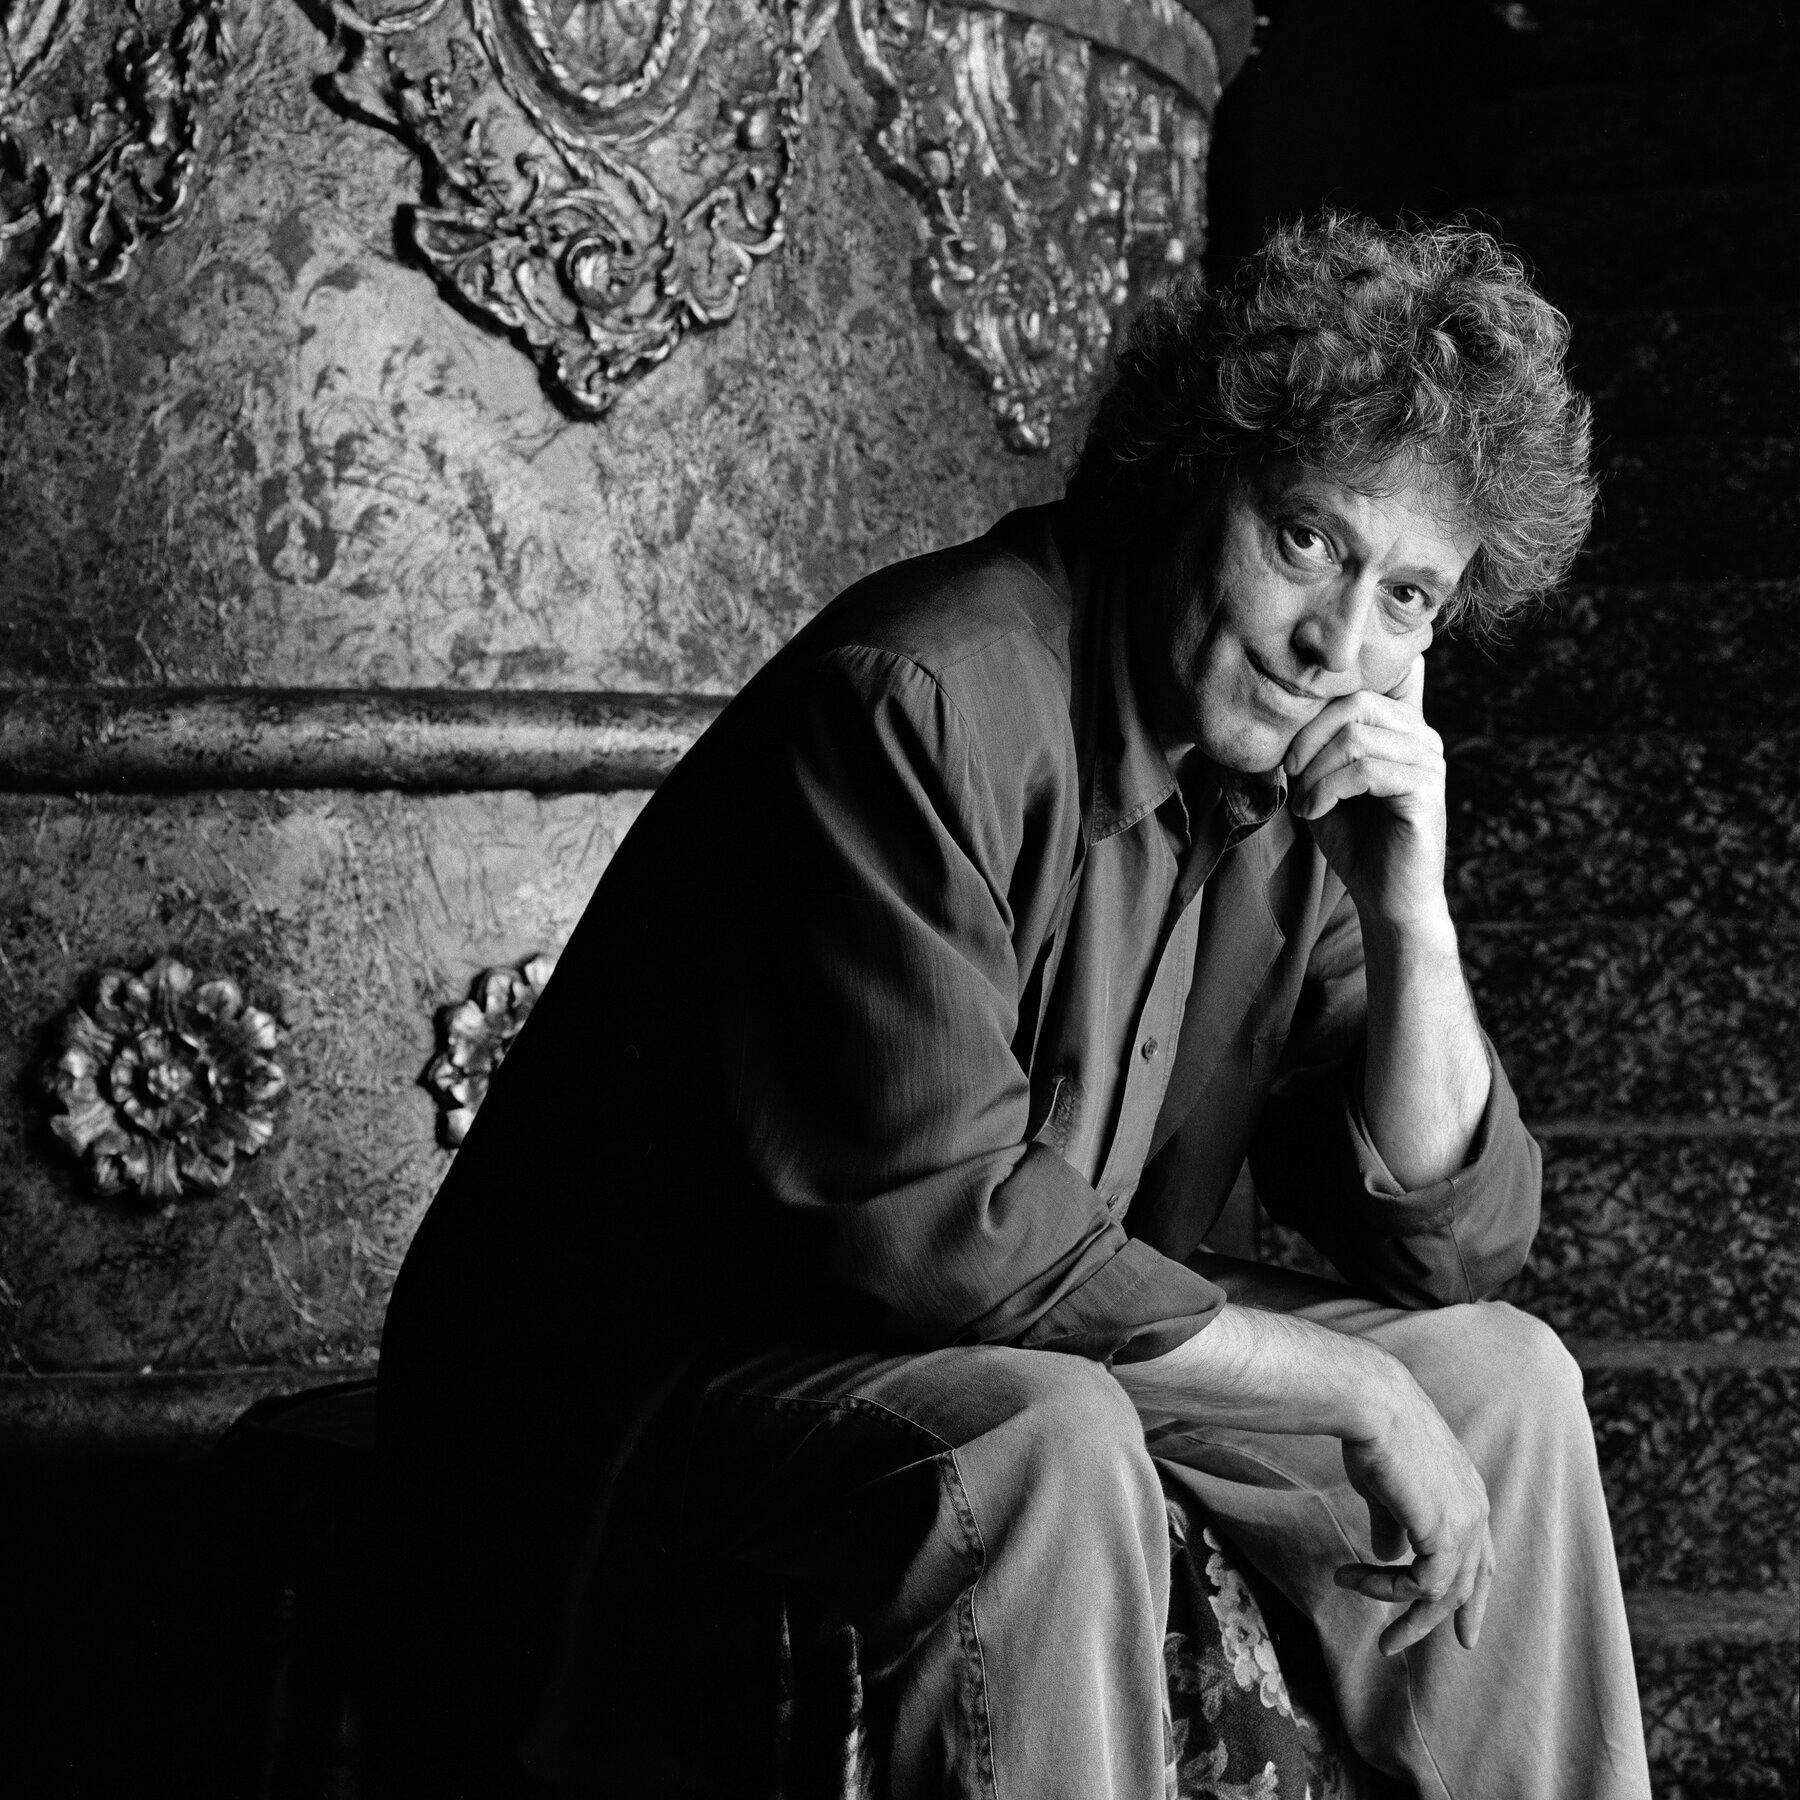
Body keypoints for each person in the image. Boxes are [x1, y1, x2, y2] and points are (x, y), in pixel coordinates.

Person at [379, 215, 1652, 1798]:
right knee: (1049, 1439)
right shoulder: (923, 698)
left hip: (998, 1336)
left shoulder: (1290, 784)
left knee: (1508, 1385)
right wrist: (1352, 1385)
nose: (1338, 643)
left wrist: (1411, 911)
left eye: (1409, 598)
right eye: (1309, 540)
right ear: (1194, 475)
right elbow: (949, 1235)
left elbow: (1452, 1246)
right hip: (656, 1387)